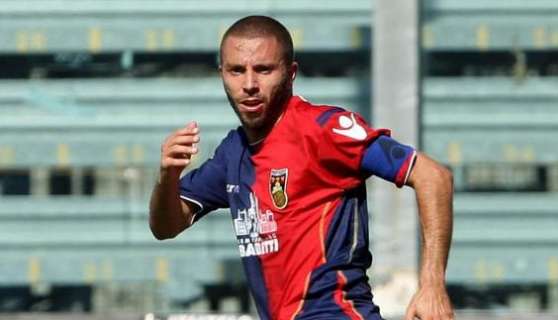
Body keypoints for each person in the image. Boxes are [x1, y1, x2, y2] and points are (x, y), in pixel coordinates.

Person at [150, 15, 454, 320]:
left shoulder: (324, 129)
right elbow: (166, 226)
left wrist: (432, 284)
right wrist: (167, 176)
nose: (250, 84)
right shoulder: (233, 153)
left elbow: (433, 176)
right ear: (222, 74)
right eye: (236, 71)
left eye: (264, 69)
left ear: (291, 73)